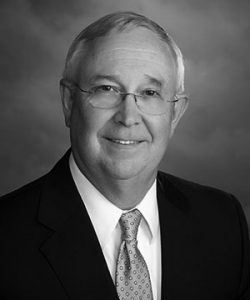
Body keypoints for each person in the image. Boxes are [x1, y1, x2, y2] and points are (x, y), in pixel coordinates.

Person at [0, 11, 249, 300]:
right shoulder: (6, 239)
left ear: (175, 113)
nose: (128, 117)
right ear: (69, 102)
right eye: (107, 89)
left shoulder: (223, 223)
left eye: (150, 93)